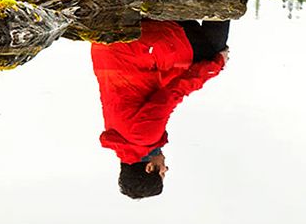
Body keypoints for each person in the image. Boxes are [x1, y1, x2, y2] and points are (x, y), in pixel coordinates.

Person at [93, 19, 230, 199]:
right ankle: (183, 11)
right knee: (188, 64)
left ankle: (219, 2)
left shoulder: (142, 137)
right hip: (109, 48)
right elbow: (151, 87)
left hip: (133, 45)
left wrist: (215, 66)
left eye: (163, 173)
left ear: (150, 168)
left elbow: (172, 94)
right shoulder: (120, 136)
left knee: (210, 51)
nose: (166, 168)